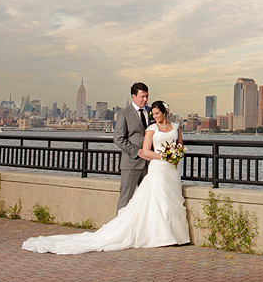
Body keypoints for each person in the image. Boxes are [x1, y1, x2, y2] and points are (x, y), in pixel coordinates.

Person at [22, 100, 190, 254]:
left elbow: (180, 146)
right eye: (153, 114)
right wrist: (164, 157)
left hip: (172, 170)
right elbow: (146, 151)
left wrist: (176, 155)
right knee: (158, 201)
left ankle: (176, 236)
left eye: (157, 113)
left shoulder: (176, 127)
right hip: (158, 167)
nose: (154, 116)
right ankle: (162, 236)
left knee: (172, 200)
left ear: (164, 112)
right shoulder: (151, 129)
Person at [114, 82, 152, 212]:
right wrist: (138, 152)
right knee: (125, 200)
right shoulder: (124, 113)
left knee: (147, 200)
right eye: (142, 96)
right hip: (131, 164)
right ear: (133, 96)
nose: (145, 100)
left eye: (147, 96)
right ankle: (120, 230)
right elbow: (118, 139)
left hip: (149, 165)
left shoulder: (151, 111)